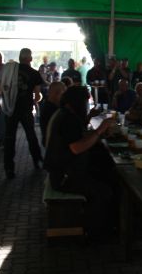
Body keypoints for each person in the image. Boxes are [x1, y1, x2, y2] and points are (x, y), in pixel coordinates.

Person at [44, 86, 118, 239]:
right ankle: (96, 232)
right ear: (77, 101)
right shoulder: (67, 119)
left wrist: (92, 124)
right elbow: (76, 148)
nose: (86, 105)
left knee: (108, 174)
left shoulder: (66, 114)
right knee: (103, 191)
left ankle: (109, 222)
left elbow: (77, 135)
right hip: (64, 177)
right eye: (85, 102)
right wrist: (100, 130)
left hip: (66, 171)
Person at [1, 48, 44, 179]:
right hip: (26, 110)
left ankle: (9, 168)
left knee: (9, 138)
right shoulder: (34, 73)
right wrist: (34, 100)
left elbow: (3, 87)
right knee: (31, 136)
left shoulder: (10, 70)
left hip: (11, 109)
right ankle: (37, 160)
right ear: (30, 58)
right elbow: (37, 96)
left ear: (20, 58)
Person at [40, 81, 67, 146]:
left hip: (50, 142)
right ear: (56, 93)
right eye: (63, 94)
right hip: (54, 144)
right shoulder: (52, 110)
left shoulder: (47, 104)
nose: (64, 97)